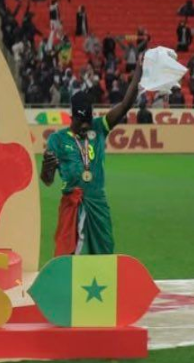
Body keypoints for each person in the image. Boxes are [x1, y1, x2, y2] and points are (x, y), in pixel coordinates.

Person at [41, 56, 144, 255]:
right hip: (72, 203)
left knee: (104, 252)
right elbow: (47, 181)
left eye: (88, 121)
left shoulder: (98, 127)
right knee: (69, 256)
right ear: (72, 117)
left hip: (97, 203)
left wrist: (138, 71)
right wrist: (47, 167)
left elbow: (125, 105)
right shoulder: (57, 139)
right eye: (81, 122)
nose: (86, 126)